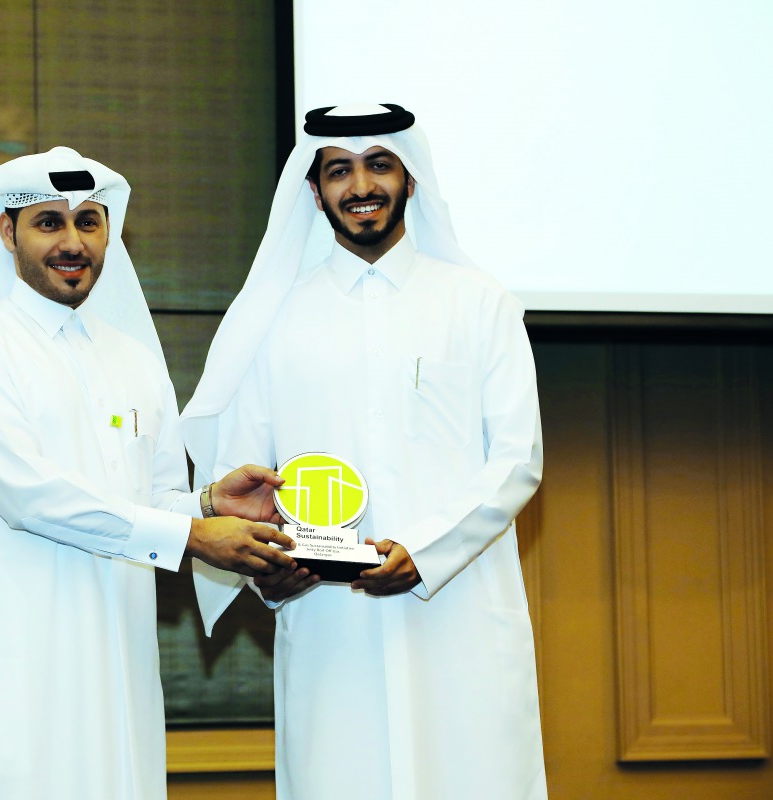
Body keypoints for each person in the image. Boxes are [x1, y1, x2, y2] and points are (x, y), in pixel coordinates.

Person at [0, 147, 297, 800]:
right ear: (7, 232)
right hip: (17, 666)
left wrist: (210, 502)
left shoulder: (132, 358)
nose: (72, 242)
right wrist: (192, 537)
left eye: (89, 223)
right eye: (49, 222)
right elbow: (28, 497)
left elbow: (150, 497)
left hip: (118, 664)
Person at [181, 104, 546, 799]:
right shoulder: (275, 318)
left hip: (456, 607)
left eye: (379, 163)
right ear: (315, 192)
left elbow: (517, 458)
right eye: (339, 170)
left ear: (410, 179)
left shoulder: (480, 303)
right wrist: (268, 571)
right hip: (329, 619)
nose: (361, 185)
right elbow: (245, 478)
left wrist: (427, 548)